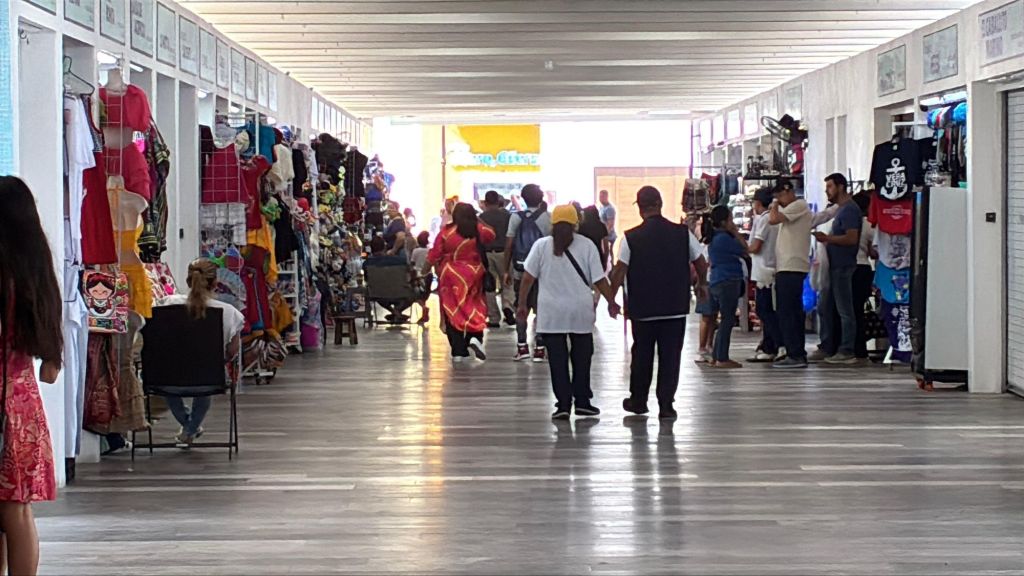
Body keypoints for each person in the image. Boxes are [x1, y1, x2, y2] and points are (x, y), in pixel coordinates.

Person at [0, 176, 62, 575]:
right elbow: (51, 371)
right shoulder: (36, 276)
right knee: (14, 507)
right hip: (22, 405)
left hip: (4, 407)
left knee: (11, 509)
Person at [610, 186, 708, 419]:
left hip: (642, 309)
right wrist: (702, 284)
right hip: (675, 308)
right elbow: (700, 261)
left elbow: (620, 271)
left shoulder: (630, 237)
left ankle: (638, 401)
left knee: (642, 356)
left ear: (640, 208)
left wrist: (611, 299)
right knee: (670, 357)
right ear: (660, 204)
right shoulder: (682, 233)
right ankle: (666, 405)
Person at [517, 205, 621, 419]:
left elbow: (527, 278)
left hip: (551, 313)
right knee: (582, 358)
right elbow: (599, 279)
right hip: (580, 311)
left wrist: (522, 305)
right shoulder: (587, 245)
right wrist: (612, 301)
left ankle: (563, 405)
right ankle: (582, 402)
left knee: (557, 360)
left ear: (552, 223)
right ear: (576, 223)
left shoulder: (541, 246)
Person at [158, 259, 246, 445]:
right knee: (205, 375)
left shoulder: (166, 305)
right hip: (209, 379)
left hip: (166, 379)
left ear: (188, 280)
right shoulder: (229, 313)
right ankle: (190, 429)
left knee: (169, 377)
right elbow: (232, 351)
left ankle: (189, 427)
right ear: (215, 283)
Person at [769, 179, 839, 369]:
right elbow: (819, 218)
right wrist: (834, 209)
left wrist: (774, 203)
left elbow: (772, 219)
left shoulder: (798, 205)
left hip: (791, 267)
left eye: (780, 195)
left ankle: (796, 354)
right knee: (790, 311)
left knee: (788, 312)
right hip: (788, 267)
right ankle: (795, 351)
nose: (779, 200)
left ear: (789, 192)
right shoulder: (799, 212)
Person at [426, 203, 496, 363]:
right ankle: (474, 336)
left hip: (451, 274)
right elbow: (492, 234)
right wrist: (477, 219)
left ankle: (458, 350)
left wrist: (424, 270)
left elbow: (434, 254)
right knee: (475, 305)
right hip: (474, 273)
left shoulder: (446, 232)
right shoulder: (478, 230)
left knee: (452, 309)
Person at [812, 173, 863, 364]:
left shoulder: (849, 210)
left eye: (830, 187)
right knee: (825, 307)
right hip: (834, 266)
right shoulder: (841, 210)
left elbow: (851, 238)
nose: (827, 191)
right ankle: (828, 345)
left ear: (840, 187)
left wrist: (828, 239)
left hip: (843, 266)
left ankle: (847, 349)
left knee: (844, 310)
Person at [503, 184, 552, 362]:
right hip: (543, 271)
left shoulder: (516, 217)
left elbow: (509, 244)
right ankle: (540, 348)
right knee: (541, 310)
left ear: (523, 198)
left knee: (521, 307)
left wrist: (506, 270)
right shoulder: (547, 218)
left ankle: (522, 347)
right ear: (541, 199)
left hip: (520, 270)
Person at [704, 206, 748, 368]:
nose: (732, 223)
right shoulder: (725, 238)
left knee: (722, 319)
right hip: (728, 280)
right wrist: (736, 232)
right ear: (723, 222)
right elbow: (745, 249)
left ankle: (716, 356)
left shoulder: (714, 238)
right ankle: (722, 357)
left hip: (717, 280)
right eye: (730, 220)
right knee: (727, 319)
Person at [747, 186, 783, 362]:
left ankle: (779, 344)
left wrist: (741, 246)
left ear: (758, 203)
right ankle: (769, 346)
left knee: (764, 310)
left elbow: (755, 246)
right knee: (768, 310)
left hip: (764, 271)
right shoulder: (775, 218)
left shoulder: (764, 219)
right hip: (771, 269)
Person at [478, 191, 515, 328]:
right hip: (504, 253)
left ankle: (493, 317)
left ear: (486, 203)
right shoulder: (507, 216)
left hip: (487, 254)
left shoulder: (481, 218)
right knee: (508, 282)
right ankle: (508, 307)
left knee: (489, 285)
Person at [852, 192, 876, 359]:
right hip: (863, 268)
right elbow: (874, 251)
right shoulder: (868, 224)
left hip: (849, 268)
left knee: (850, 310)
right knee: (859, 310)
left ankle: (851, 345)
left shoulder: (848, 221)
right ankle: (860, 347)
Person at [410, 231, 433, 325]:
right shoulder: (430, 251)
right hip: (428, 275)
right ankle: (424, 312)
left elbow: (412, 263)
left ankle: (424, 308)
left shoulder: (415, 251)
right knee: (425, 295)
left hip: (418, 275)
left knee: (416, 294)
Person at [598, 189, 618, 262]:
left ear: (606, 197)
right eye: (599, 197)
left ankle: (610, 266)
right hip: (603, 233)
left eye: (602, 197)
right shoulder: (601, 208)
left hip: (608, 235)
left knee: (608, 253)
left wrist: (605, 233)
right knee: (604, 253)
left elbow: (610, 224)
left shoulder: (610, 209)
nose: (600, 199)